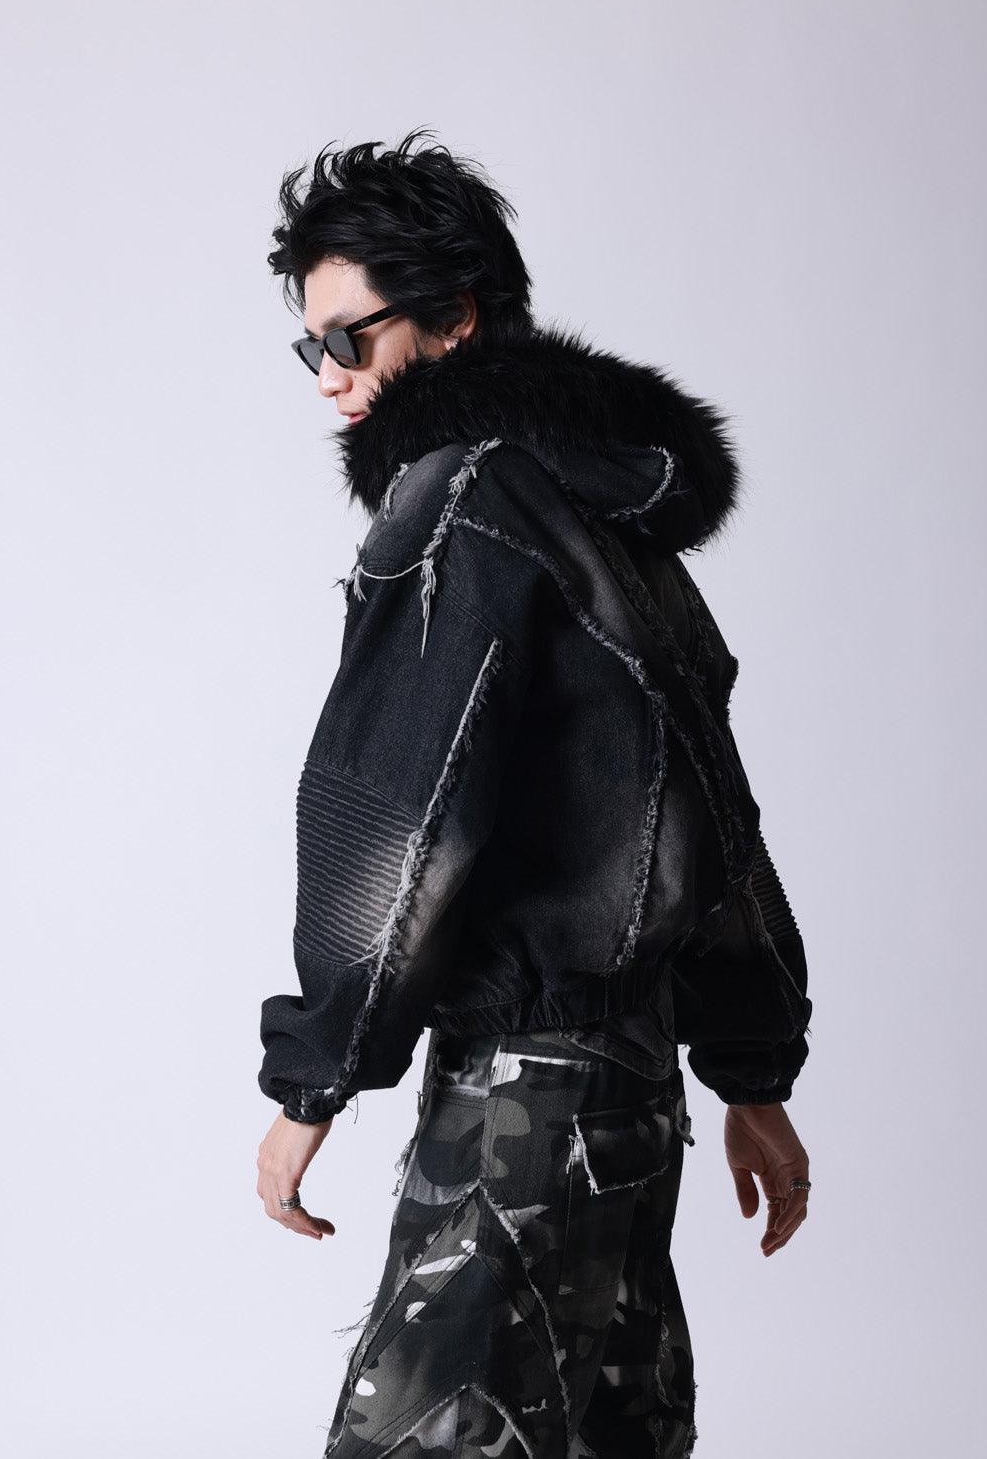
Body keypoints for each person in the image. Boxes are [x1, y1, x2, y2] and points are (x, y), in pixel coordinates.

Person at [255, 129, 812, 1459]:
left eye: (351, 338)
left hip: (525, 1099)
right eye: (310, 346)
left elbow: (399, 812)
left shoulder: (463, 499)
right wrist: (749, 1067)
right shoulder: (603, 518)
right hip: (632, 1091)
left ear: (454, 321)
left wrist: (314, 1077)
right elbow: (712, 810)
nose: (330, 377)